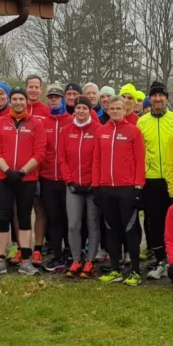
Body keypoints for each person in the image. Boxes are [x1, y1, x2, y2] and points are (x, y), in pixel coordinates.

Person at [0, 87, 45, 276]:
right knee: (2, 216)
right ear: (10, 101)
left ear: (26, 101)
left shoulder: (36, 124)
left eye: (22, 98)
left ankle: (26, 259)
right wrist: (7, 171)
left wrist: (21, 172)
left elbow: (40, 153)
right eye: (15, 99)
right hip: (3, 178)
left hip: (27, 178)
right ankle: (0, 259)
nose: (18, 102)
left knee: (24, 217)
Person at [93, 89, 146, 285]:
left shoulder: (134, 131)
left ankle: (134, 271)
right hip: (106, 188)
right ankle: (115, 269)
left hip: (127, 188)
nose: (115, 111)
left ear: (125, 110)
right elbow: (97, 160)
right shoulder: (101, 131)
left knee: (130, 229)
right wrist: (96, 186)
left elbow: (140, 161)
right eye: (112, 108)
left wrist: (139, 186)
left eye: (119, 108)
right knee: (111, 230)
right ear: (107, 109)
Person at [138, 81, 173, 279]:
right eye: (154, 95)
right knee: (154, 223)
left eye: (161, 95)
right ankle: (160, 260)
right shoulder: (142, 122)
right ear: (150, 98)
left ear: (167, 98)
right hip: (151, 179)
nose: (157, 99)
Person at [60, 96, 100, 279]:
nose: (81, 111)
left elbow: (100, 158)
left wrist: (94, 181)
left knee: (92, 223)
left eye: (85, 108)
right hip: (73, 186)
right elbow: (62, 159)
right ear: (74, 110)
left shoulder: (98, 129)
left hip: (92, 186)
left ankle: (90, 261)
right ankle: (76, 259)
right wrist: (69, 181)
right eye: (79, 108)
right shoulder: (66, 130)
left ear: (90, 110)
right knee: (74, 224)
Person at [38, 85, 72, 270]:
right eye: (51, 97)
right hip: (47, 177)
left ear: (63, 100)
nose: (53, 100)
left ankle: (70, 253)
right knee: (53, 218)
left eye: (57, 97)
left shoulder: (72, 121)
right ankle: (57, 255)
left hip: (67, 179)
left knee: (69, 218)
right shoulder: (43, 123)